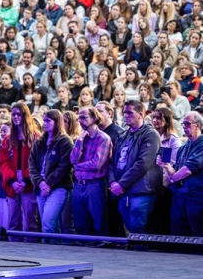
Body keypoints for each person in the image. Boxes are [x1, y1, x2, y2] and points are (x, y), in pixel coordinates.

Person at [109, 100, 162, 234]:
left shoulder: (150, 134)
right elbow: (112, 163)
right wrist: (113, 182)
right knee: (131, 230)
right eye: (124, 112)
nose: (126, 115)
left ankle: (142, 254)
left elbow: (143, 163)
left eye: (130, 113)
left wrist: (121, 184)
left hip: (141, 191)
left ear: (140, 114)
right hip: (122, 191)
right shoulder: (122, 135)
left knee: (139, 229)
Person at [0, 102, 40, 235]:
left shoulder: (36, 138)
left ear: (25, 116)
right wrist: (12, 182)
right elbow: (3, 163)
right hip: (13, 182)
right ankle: (12, 250)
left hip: (29, 182)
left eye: (19, 114)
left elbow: (37, 162)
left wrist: (26, 180)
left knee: (30, 221)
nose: (16, 117)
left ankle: (31, 251)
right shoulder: (7, 140)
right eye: (14, 114)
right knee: (13, 221)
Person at [29, 110, 74, 234]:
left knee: (48, 223)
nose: (44, 123)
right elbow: (31, 165)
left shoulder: (65, 141)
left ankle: (49, 252)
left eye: (48, 121)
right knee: (47, 224)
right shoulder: (39, 142)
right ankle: (53, 249)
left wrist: (48, 183)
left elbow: (64, 166)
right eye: (44, 120)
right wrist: (40, 183)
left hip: (58, 187)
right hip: (41, 187)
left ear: (57, 122)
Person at [70, 107, 112, 236]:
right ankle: (84, 248)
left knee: (98, 221)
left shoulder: (103, 138)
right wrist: (79, 142)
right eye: (79, 118)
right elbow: (72, 159)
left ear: (94, 118)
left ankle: (100, 248)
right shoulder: (81, 138)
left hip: (94, 184)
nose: (80, 121)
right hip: (78, 184)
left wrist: (77, 166)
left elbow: (97, 164)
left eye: (83, 117)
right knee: (80, 221)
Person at [161, 112, 203, 236]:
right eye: (183, 124)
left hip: (196, 197)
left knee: (197, 234)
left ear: (198, 125)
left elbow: (187, 170)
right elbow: (176, 170)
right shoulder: (183, 148)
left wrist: (170, 170)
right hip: (179, 195)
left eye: (187, 124)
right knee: (178, 233)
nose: (184, 127)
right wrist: (166, 166)